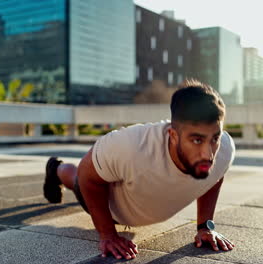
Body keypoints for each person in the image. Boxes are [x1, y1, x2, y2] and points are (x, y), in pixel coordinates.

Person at [43, 79, 235, 260]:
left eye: (214, 139)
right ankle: (57, 169)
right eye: (196, 140)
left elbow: (215, 177)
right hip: (110, 208)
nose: (208, 153)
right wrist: (108, 234)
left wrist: (205, 226)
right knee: (77, 178)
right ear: (173, 135)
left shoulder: (224, 148)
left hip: (139, 204)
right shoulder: (131, 145)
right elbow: (88, 176)